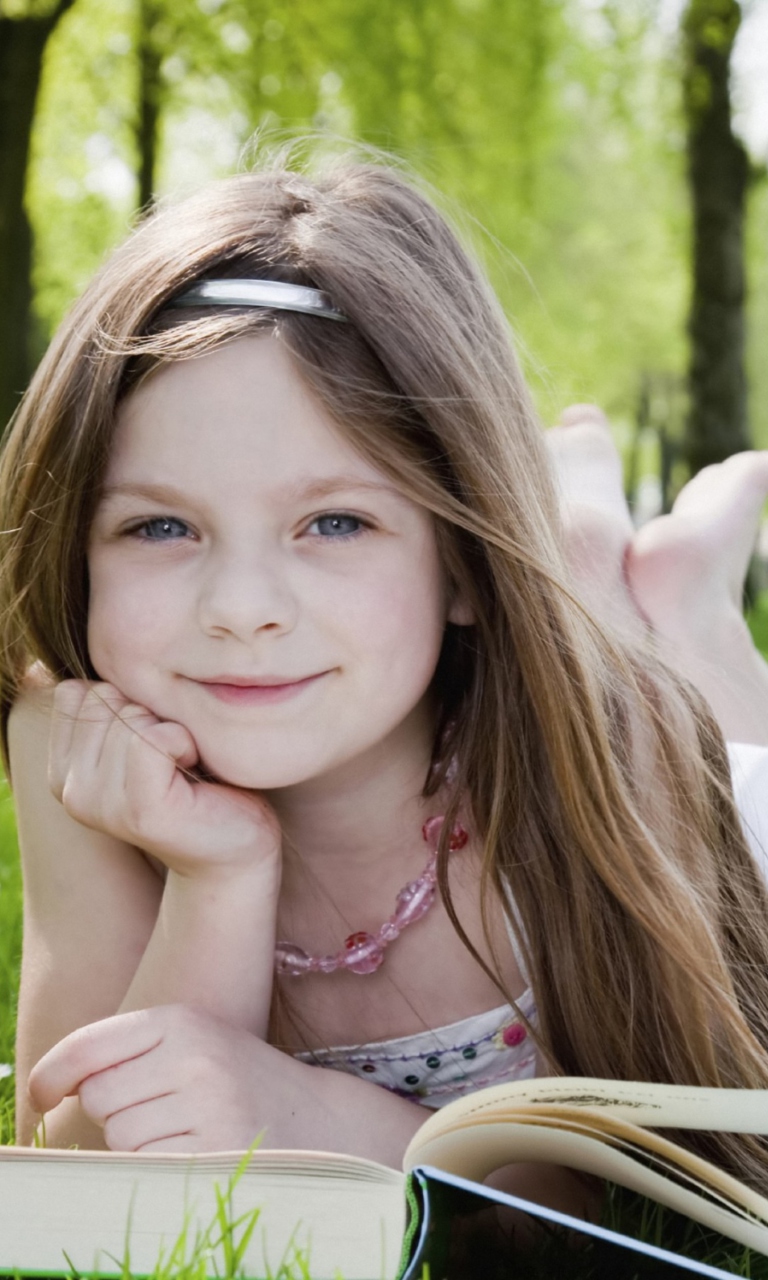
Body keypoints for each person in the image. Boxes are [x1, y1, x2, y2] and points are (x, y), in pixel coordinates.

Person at [2, 154, 768, 1209]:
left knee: (657, 662)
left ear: (459, 559)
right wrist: (219, 875)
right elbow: (72, 1177)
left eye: (334, 521)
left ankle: (676, 588)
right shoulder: (79, 740)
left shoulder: (601, 737)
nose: (241, 605)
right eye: (161, 525)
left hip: (713, 783)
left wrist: (319, 1122)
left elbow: (661, 1185)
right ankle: (594, 537)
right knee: (586, 597)